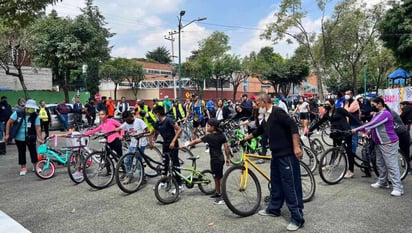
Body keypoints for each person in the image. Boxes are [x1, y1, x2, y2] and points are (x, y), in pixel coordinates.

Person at [242, 93, 304, 231]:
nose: (256, 107)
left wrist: (296, 146)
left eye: (257, 104)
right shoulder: (267, 116)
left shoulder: (277, 112)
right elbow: (260, 130)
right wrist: (245, 139)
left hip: (286, 154)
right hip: (276, 155)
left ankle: (297, 217)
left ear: (264, 102)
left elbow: (293, 126)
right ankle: (274, 208)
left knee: (290, 185)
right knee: (276, 182)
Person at [352, 97, 404, 197]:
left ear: (379, 104)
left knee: (391, 165)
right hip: (379, 143)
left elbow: (372, 124)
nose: (372, 107)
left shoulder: (385, 114)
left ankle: (398, 187)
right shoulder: (377, 114)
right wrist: (365, 132)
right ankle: (383, 182)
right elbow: (373, 127)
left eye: (373, 105)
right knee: (380, 163)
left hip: (388, 143)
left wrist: (357, 129)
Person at [180, 118, 231, 205]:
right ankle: (217, 193)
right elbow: (226, 147)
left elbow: (196, 141)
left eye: (208, 126)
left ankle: (223, 197)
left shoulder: (209, 136)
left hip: (216, 160)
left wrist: (186, 144)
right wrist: (227, 158)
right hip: (219, 158)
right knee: (216, 177)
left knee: (220, 178)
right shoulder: (221, 135)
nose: (207, 127)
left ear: (213, 127)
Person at [310, 99, 361, 178]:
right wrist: (310, 130)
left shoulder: (340, 110)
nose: (326, 105)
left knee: (349, 151)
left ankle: (351, 170)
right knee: (335, 149)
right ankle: (331, 164)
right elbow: (319, 122)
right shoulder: (327, 114)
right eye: (325, 104)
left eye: (328, 104)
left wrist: (361, 126)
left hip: (346, 132)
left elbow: (351, 117)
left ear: (333, 105)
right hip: (336, 133)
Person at [5, 99, 43, 175]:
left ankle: (36, 166)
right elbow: (9, 122)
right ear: (26, 107)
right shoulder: (17, 113)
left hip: (31, 137)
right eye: (30, 108)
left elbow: (38, 128)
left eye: (33, 109)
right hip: (19, 137)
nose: (31, 110)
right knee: (21, 152)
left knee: (33, 151)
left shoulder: (35, 116)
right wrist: (7, 134)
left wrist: (40, 138)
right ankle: (23, 167)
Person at [149, 105, 182, 191]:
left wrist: (173, 141)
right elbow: (154, 132)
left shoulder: (168, 120)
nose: (154, 115)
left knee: (175, 164)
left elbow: (179, 130)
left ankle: (180, 185)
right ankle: (163, 182)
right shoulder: (158, 122)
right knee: (165, 164)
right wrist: (152, 141)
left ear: (158, 113)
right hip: (165, 144)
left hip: (172, 144)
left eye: (154, 114)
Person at [113, 111, 149, 184]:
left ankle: (142, 178)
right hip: (133, 144)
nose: (127, 121)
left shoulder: (139, 121)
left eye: (128, 120)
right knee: (127, 160)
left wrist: (149, 140)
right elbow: (118, 129)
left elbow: (147, 131)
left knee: (138, 162)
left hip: (141, 143)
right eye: (125, 120)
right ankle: (129, 176)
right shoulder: (126, 123)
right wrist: (109, 132)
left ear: (132, 117)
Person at [84, 110, 124, 174]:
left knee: (120, 157)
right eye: (100, 114)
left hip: (116, 140)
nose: (100, 116)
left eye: (102, 114)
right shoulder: (102, 124)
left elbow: (122, 126)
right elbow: (95, 130)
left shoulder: (111, 121)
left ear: (106, 115)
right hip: (108, 141)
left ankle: (124, 170)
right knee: (105, 156)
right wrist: (84, 134)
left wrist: (121, 135)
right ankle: (109, 171)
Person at [343, 90, 361, 159]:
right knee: (347, 138)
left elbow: (348, 110)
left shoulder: (355, 102)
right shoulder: (345, 102)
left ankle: (352, 153)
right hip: (346, 123)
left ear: (351, 94)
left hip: (353, 123)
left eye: (348, 94)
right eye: (345, 94)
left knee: (354, 139)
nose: (346, 95)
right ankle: (349, 151)